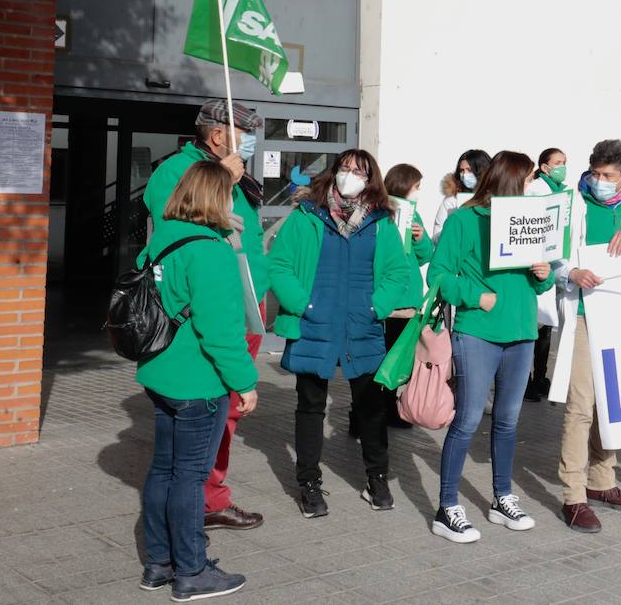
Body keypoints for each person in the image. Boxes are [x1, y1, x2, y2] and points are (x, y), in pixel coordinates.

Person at [142, 98, 267, 532]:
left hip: (241, 309)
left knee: (226, 415)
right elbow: (183, 232)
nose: (250, 143)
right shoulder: (181, 171)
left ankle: (207, 495)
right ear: (218, 135)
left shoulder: (228, 170)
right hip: (209, 316)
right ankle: (204, 502)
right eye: (244, 133)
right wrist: (226, 180)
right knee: (216, 412)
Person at [136, 162, 258, 600]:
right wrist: (245, 382)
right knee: (188, 477)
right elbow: (222, 332)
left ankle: (158, 563)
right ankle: (191, 571)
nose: (232, 202)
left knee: (163, 470)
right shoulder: (211, 250)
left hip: (160, 374)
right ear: (215, 198)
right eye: (228, 195)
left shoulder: (160, 240)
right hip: (196, 382)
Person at [268, 150, 413, 518]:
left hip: (362, 327)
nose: (351, 176)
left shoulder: (382, 222)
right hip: (314, 325)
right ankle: (309, 485)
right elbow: (279, 264)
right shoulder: (306, 216)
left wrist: (375, 308)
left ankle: (377, 480)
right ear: (334, 173)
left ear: (371, 179)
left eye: (359, 171)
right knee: (310, 406)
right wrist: (304, 305)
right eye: (345, 168)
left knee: (372, 409)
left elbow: (398, 272)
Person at [427, 151, 556, 543]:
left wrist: (543, 274)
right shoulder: (464, 220)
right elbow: (438, 274)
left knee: (508, 421)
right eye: (529, 179)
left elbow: (540, 285)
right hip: (479, 330)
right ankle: (447, 506)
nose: (533, 187)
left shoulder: (530, 221)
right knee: (466, 419)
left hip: (521, 333)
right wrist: (473, 295)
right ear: (510, 180)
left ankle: (502, 498)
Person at [555, 139, 621, 533]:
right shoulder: (573, 204)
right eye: (595, 174)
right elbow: (553, 254)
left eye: (608, 176)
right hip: (585, 315)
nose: (599, 181)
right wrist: (570, 273)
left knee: (611, 404)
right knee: (581, 406)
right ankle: (573, 496)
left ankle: (602, 482)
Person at [379, 163, 433, 429]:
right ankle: (374, 411)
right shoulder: (378, 212)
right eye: (416, 187)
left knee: (400, 359)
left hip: (409, 301)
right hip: (386, 300)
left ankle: (392, 407)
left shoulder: (414, 215)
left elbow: (426, 255)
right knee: (382, 358)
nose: (418, 192)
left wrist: (421, 238)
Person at [525, 147, 568, 402]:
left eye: (565, 162)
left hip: (555, 265)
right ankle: (527, 381)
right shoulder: (536, 190)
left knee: (546, 328)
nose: (563, 166)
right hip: (538, 265)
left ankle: (541, 376)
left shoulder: (563, 191)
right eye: (558, 162)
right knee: (534, 324)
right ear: (544, 167)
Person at [432, 149, 491, 243]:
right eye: (462, 170)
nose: (465, 175)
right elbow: (435, 238)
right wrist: (452, 229)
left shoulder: (495, 199)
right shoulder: (451, 200)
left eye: (469, 170)